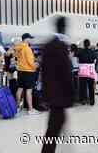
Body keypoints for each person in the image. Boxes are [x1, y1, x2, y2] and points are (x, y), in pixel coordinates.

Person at [41, 16, 73, 153]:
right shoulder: (61, 47)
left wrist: (45, 94)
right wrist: (71, 94)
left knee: (55, 124)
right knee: (54, 128)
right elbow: (66, 73)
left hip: (50, 94)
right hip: (60, 95)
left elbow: (44, 72)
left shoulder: (47, 46)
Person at [15, 33, 40, 115]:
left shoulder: (18, 48)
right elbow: (30, 62)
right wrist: (36, 65)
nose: (31, 40)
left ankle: (17, 107)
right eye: (30, 38)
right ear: (26, 39)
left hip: (20, 71)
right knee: (29, 91)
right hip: (28, 71)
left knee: (20, 89)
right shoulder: (27, 49)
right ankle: (30, 110)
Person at [77, 39, 96, 105]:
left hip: (82, 71)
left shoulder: (80, 51)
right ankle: (92, 101)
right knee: (91, 86)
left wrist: (78, 45)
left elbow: (76, 54)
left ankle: (83, 100)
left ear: (84, 44)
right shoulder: (92, 51)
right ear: (89, 44)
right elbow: (94, 57)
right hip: (90, 71)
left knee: (82, 87)